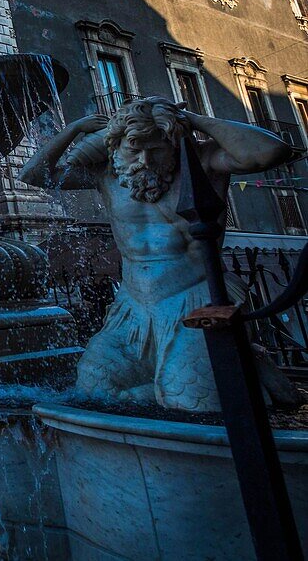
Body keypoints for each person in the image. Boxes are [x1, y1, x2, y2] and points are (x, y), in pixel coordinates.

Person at [19, 97, 302, 411]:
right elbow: (33, 175)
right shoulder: (106, 173)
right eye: (134, 149)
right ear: (118, 147)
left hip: (196, 300)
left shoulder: (202, 162)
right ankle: (204, 375)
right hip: (132, 309)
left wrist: (193, 118)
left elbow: (272, 151)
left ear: (173, 144)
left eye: (155, 150)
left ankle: (227, 373)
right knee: (94, 386)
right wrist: (73, 129)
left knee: (191, 400)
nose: (145, 160)